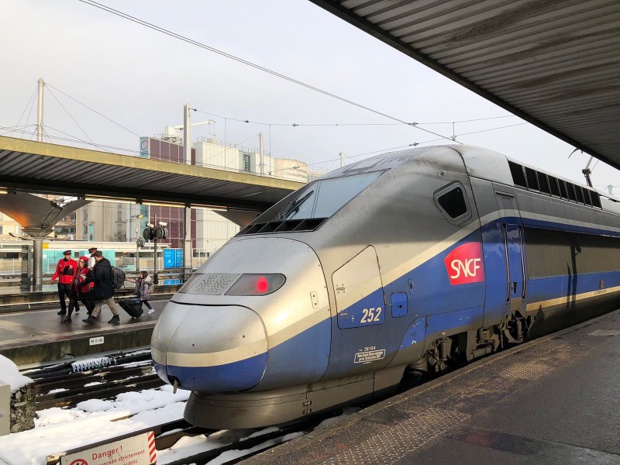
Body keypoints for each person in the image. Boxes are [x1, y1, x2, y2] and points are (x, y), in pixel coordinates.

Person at [82, 251, 122, 325]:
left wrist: (86, 279)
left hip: (102, 287)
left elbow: (97, 278)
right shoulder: (107, 263)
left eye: (95, 258)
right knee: (99, 302)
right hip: (107, 286)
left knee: (109, 302)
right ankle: (93, 317)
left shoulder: (99, 266)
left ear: (96, 257)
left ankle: (116, 316)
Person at [61, 256, 94, 323]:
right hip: (75, 288)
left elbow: (90, 279)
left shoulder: (87, 270)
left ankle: (91, 314)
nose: (80, 263)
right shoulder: (77, 269)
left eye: (82, 262)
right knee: (72, 301)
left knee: (85, 302)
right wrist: (67, 268)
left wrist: (82, 283)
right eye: (79, 261)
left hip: (83, 289)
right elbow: (67, 272)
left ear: (85, 263)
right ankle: (69, 317)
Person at [51, 250, 78, 316]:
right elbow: (57, 271)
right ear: (65, 255)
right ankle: (63, 309)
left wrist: (74, 281)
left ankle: (76, 305)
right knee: (61, 297)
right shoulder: (61, 261)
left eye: (69, 255)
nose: (68, 256)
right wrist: (53, 279)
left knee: (70, 296)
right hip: (61, 282)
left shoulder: (74, 262)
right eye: (66, 255)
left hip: (69, 282)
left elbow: (75, 272)